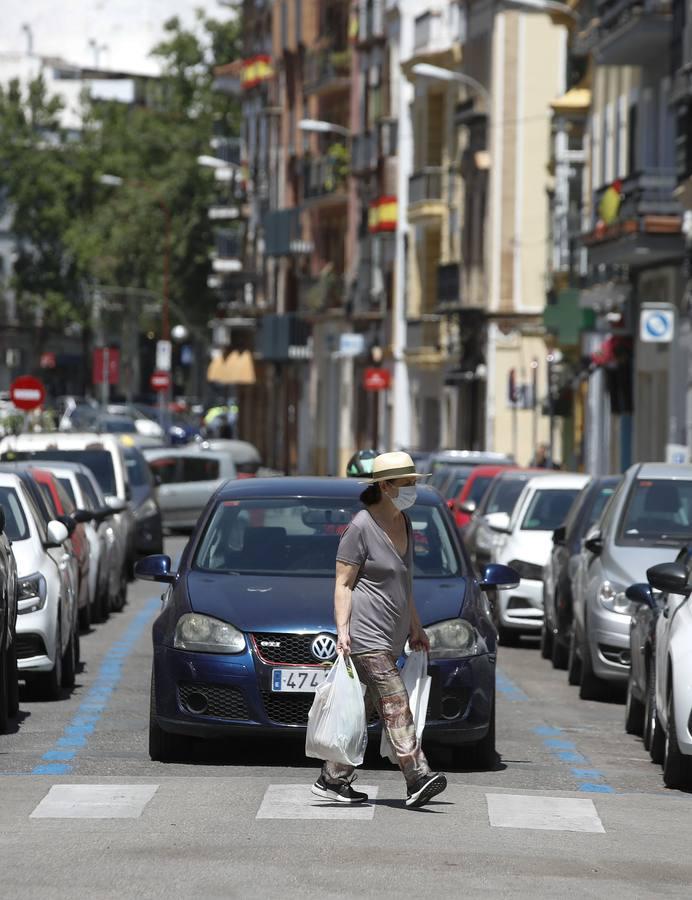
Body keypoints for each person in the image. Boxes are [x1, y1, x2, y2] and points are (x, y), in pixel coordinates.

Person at [312, 451, 448, 809]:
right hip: (365, 634)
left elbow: (405, 584)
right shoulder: (360, 526)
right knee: (395, 700)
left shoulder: (404, 522)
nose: (412, 490)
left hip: (394, 635)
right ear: (385, 486)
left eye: (414, 483)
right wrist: (342, 631)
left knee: (368, 707)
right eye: (407, 484)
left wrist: (416, 627)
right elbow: (343, 583)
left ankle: (332, 778)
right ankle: (416, 774)